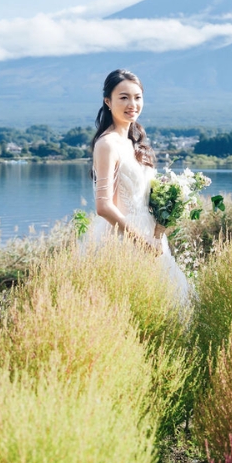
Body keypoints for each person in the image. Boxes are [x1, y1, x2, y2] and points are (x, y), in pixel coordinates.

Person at [88, 69, 189, 303]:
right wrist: (142, 243)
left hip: (151, 237)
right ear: (107, 101)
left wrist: (165, 211)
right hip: (124, 239)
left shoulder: (134, 143)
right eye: (123, 97)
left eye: (137, 97)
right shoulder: (107, 144)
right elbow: (103, 206)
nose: (132, 103)